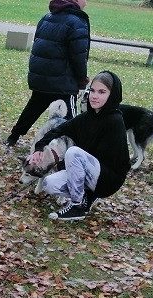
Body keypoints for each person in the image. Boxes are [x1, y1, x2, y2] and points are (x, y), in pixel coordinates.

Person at [27, 70, 131, 222]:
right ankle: (85, 197)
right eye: (92, 91)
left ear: (112, 94)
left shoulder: (115, 121)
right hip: (87, 171)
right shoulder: (86, 117)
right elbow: (58, 130)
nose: (94, 96)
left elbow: (122, 163)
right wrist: (39, 148)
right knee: (49, 184)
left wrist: (67, 164)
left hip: (108, 179)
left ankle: (77, 206)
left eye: (102, 92)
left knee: (73, 152)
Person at [5, 0, 90, 147]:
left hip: (42, 77)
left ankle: (13, 137)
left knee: (33, 108)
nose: (86, 3)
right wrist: (82, 79)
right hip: (63, 82)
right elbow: (79, 56)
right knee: (70, 118)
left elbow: (38, 45)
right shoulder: (77, 22)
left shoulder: (47, 17)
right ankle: (72, 147)